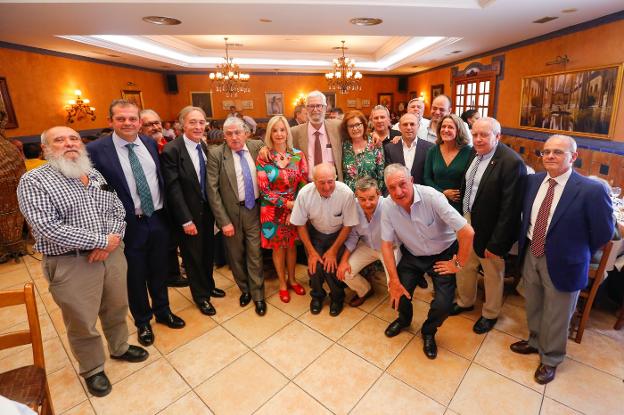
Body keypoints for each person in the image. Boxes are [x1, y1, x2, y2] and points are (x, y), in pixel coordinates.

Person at [17, 126, 148, 397]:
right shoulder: (34, 181)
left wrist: (111, 240)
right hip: (71, 263)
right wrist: (100, 242)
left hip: (112, 255)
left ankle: (119, 347)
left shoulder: (94, 173)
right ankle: (93, 368)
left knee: (116, 306)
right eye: (60, 140)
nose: (69, 144)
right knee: (82, 320)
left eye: (74, 138)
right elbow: (46, 228)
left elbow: (117, 209)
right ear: (45, 148)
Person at [511, 135, 613, 384]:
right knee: (533, 303)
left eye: (557, 152)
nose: (550, 157)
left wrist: (576, 250)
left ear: (573, 157)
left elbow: (603, 233)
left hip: (566, 261)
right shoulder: (533, 181)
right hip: (532, 254)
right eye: (546, 152)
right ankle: (535, 341)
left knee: (557, 313)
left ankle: (551, 358)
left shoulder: (591, 190)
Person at [88, 100, 185, 348]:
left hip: (158, 218)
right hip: (128, 224)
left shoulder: (150, 144)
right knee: (135, 275)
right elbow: (92, 192)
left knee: (160, 269)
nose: (128, 123)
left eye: (132, 118)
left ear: (139, 122)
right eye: (121, 119)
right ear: (110, 121)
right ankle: (143, 321)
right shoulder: (97, 150)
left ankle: (163, 311)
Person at [381, 164, 474, 359]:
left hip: (442, 255)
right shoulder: (388, 206)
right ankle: (404, 320)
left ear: (412, 181)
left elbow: (467, 232)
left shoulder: (432, 198)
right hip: (412, 255)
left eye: (402, 184)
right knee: (398, 291)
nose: (398, 192)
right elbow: (386, 245)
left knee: (443, 304)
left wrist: (457, 264)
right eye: (392, 187)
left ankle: (428, 331)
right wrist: (393, 279)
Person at [451, 117, 527, 334]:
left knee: (492, 272)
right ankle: (466, 301)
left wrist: (496, 243)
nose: (478, 139)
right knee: (464, 263)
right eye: (475, 134)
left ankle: (490, 314)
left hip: (492, 229)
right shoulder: (473, 154)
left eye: (484, 135)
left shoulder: (512, 163)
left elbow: (510, 210)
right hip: (467, 220)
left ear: (497, 136)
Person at [161, 106, 226, 316]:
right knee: (192, 258)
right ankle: (201, 297)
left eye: (201, 122)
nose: (198, 126)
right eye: (192, 122)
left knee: (208, 253)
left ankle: (208, 285)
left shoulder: (204, 146)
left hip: (207, 212)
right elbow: (173, 189)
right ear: (182, 125)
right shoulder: (173, 149)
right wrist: (185, 220)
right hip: (188, 215)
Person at [207, 116, 267, 316]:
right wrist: (223, 221)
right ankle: (245, 290)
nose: (234, 137)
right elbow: (212, 191)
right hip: (231, 213)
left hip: (255, 210)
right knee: (235, 255)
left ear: (246, 133)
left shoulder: (258, 146)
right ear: (224, 136)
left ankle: (258, 294)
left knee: (255, 253)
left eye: (238, 132)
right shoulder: (216, 154)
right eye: (229, 134)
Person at [290, 163, 358, 316]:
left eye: (330, 181)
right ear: (313, 181)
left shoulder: (346, 193)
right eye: (321, 182)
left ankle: (337, 297)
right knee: (315, 266)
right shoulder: (304, 194)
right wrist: (312, 252)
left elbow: (348, 226)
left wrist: (333, 251)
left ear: (336, 178)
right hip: (316, 234)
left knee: (330, 266)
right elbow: (300, 225)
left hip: (338, 235)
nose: (327, 187)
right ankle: (317, 296)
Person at [256, 115, 308, 303]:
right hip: (272, 210)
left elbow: (304, 182)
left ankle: (293, 279)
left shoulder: (297, 155)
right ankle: (283, 284)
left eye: (282, 129)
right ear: (270, 133)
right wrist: (286, 204)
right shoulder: (264, 157)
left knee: (292, 246)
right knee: (278, 248)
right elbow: (263, 190)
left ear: (288, 132)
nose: (279, 134)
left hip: (295, 208)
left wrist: (297, 206)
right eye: (275, 130)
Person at [139, 109, 186, 287]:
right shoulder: (140, 149)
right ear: (139, 127)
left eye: (157, 122)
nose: (155, 127)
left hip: (171, 203)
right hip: (151, 206)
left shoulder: (167, 143)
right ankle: (165, 276)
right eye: (149, 124)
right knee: (159, 245)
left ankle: (173, 274)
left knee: (171, 241)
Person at [337, 177, 390, 307]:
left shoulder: (389, 206)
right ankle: (365, 290)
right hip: (367, 246)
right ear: (357, 196)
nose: (367, 203)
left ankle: (401, 310)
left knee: (393, 282)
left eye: (371, 198)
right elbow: (353, 236)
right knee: (344, 273)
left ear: (378, 193)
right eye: (362, 199)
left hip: (390, 248)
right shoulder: (353, 207)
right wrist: (343, 261)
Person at [423, 114, 472, 212]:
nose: (445, 130)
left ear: (458, 131)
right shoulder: (433, 151)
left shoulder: (469, 152)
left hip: (459, 206)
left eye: (450, 127)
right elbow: (426, 178)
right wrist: (443, 192)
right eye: (443, 126)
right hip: (436, 202)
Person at [290, 91, 343, 181]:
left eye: (318, 106)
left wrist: (374, 135)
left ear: (325, 108)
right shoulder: (295, 132)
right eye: (311, 106)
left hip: (332, 184)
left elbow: (357, 134)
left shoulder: (337, 127)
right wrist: (265, 149)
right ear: (306, 109)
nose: (315, 110)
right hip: (307, 185)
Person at [341, 110, 385, 192]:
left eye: (358, 124)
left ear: (364, 125)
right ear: (346, 129)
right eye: (351, 126)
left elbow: (381, 174)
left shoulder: (374, 143)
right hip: (349, 196)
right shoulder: (343, 146)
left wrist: (378, 194)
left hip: (370, 196)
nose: (355, 129)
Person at [384, 113, 433, 185]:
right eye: (405, 124)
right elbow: (388, 175)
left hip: (422, 193)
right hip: (398, 193)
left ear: (418, 126)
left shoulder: (429, 148)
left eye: (412, 124)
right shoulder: (389, 148)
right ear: (399, 127)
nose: (409, 127)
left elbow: (431, 176)